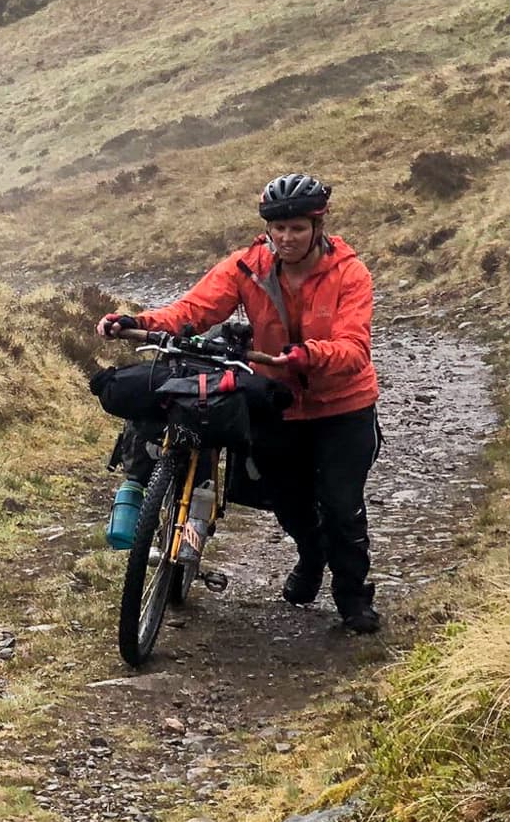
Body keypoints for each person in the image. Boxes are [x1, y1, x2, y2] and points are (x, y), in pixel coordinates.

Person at [97, 173, 383, 635]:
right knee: (288, 502)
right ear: (268, 228)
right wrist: (140, 321)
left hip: (342, 406)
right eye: (278, 228)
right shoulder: (247, 267)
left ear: (317, 226)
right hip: (276, 404)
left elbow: (354, 349)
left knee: (340, 502)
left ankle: (353, 599)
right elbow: (194, 310)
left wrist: (306, 355)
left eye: (297, 228)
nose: (287, 237)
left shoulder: (350, 273)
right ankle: (311, 559)